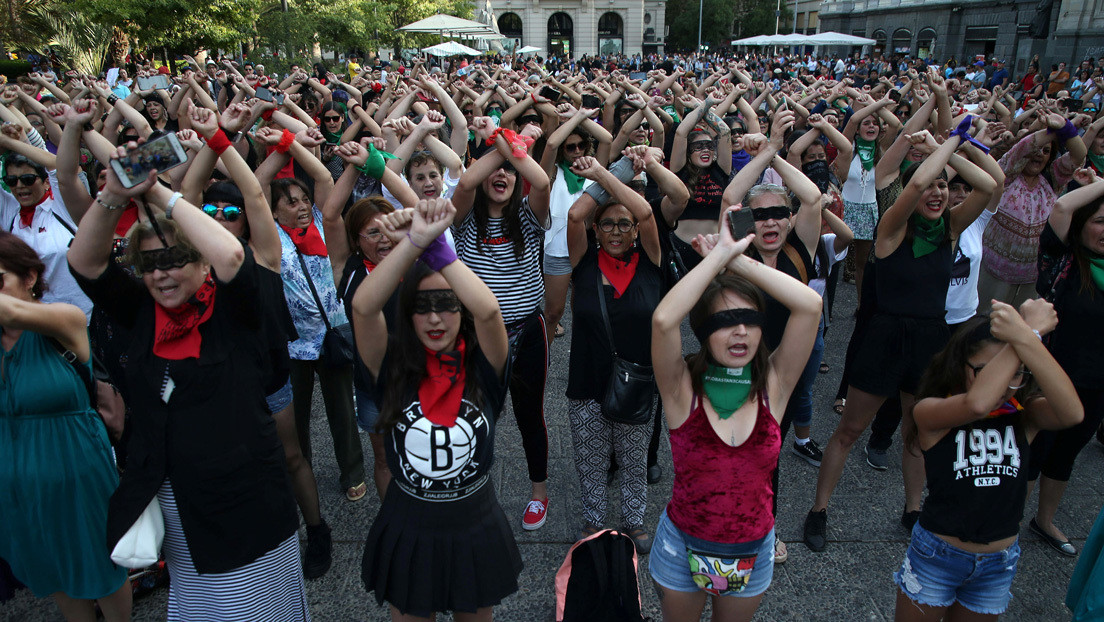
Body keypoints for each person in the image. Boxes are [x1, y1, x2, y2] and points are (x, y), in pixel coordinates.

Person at [67, 146, 308, 621]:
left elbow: (234, 253)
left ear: (203, 266)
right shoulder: (141, 312)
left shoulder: (235, 308)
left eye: (177, 259)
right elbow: (86, 263)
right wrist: (115, 193)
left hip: (247, 501)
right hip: (179, 505)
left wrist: (156, 190)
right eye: (150, 263)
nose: (161, 273)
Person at [805, 127, 999, 552]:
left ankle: (914, 510)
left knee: (917, 432)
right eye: (930, 185)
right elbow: (911, 184)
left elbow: (990, 184)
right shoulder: (891, 228)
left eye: (944, 186)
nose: (936, 193)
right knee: (850, 429)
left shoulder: (949, 230)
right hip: (886, 335)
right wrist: (944, 147)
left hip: (930, 338)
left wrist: (946, 150)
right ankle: (818, 510)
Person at [180, 102, 332, 578]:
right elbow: (186, 190)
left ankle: (317, 529)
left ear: (244, 219)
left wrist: (222, 138)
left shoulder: (263, 252)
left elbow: (254, 191)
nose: (221, 217)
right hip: (215, 376)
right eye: (212, 211)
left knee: (290, 455)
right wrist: (212, 137)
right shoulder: (192, 254)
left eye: (230, 212)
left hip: (267, 371)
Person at [648, 205, 822, 621]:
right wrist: (713, 260)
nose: (740, 331)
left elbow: (810, 306)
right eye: (725, 321)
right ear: (705, 332)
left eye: (749, 319)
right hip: (682, 545)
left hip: (753, 549)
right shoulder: (681, 390)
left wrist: (736, 259)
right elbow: (663, 320)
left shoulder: (773, 386)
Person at [353, 197, 521, 622]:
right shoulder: (390, 367)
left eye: (447, 304)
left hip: (474, 522)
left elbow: (488, 309)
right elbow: (363, 306)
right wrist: (413, 242)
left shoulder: (486, 367)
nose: (435, 318)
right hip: (409, 525)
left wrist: (436, 250)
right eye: (421, 307)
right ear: (406, 315)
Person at [895, 302, 1083, 621]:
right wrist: (1028, 333)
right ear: (959, 365)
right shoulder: (931, 411)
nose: (1005, 384)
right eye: (988, 371)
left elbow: (1073, 413)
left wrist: (1025, 340)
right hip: (938, 555)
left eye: (1017, 374)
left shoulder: (1023, 416)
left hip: (999, 560)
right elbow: (978, 402)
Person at [0, 233, 132, 622]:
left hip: (72, 463)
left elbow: (11, 314)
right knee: (49, 563)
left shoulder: (64, 319)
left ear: (29, 278)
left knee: (99, 562)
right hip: (14, 473)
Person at [255, 125, 368, 503]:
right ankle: (296, 467)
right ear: (272, 210)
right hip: (292, 342)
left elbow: (322, 175)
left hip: (332, 332)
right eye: (290, 202)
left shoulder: (322, 222)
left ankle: (352, 471)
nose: (301, 207)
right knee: (294, 414)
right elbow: (257, 184)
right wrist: (281, 152)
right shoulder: (269, 236)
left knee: (341, 410)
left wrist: (292, 143)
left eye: (303, 200)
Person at [451, 117, 552, 530]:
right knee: (475, 414)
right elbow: (462, 184)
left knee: (531, 415)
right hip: (476, 334)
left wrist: (511, 147)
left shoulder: (529, 215)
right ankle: (472, 489)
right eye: (494, 169)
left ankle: (539, 493)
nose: (502, 175)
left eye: (510, 171)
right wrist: (503, 145)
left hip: (528, 331)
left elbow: (542, 181)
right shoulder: (462, 219)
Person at [563, 155, 663, 553]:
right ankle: (593, 518)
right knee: (590, 460)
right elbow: (574, 214)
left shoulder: (651, 262)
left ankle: (635, 520)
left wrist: (612, 173)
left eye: (624, 224)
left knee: (634, 459)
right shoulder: (583, 262)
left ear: (636, 231)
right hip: (587, 378)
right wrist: (613, 170)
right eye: (607, 223)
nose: (617, 231)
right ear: (596, 230)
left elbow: (646, 212)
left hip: (635, 381)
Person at [1025, 168, 1104, 556]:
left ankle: (1045, 520)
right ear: (1081, 226)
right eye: (1100, 222)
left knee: (1067, 453)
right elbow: (1060, 205)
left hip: (1096, 382)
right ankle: (1006, 517)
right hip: (1050, 375)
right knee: (1033, 449)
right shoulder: (1063, 259)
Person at [979, 113, 1086, 308]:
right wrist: (1051, 131)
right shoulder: (1006, 176)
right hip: (992, 269)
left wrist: (1065, 127)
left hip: (1031, 275)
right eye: (1036, 149)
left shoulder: (1052, 181)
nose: (1039, 154)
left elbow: (1078, 156)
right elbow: (1021, 149)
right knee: (985, 322)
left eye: (1046, 151)